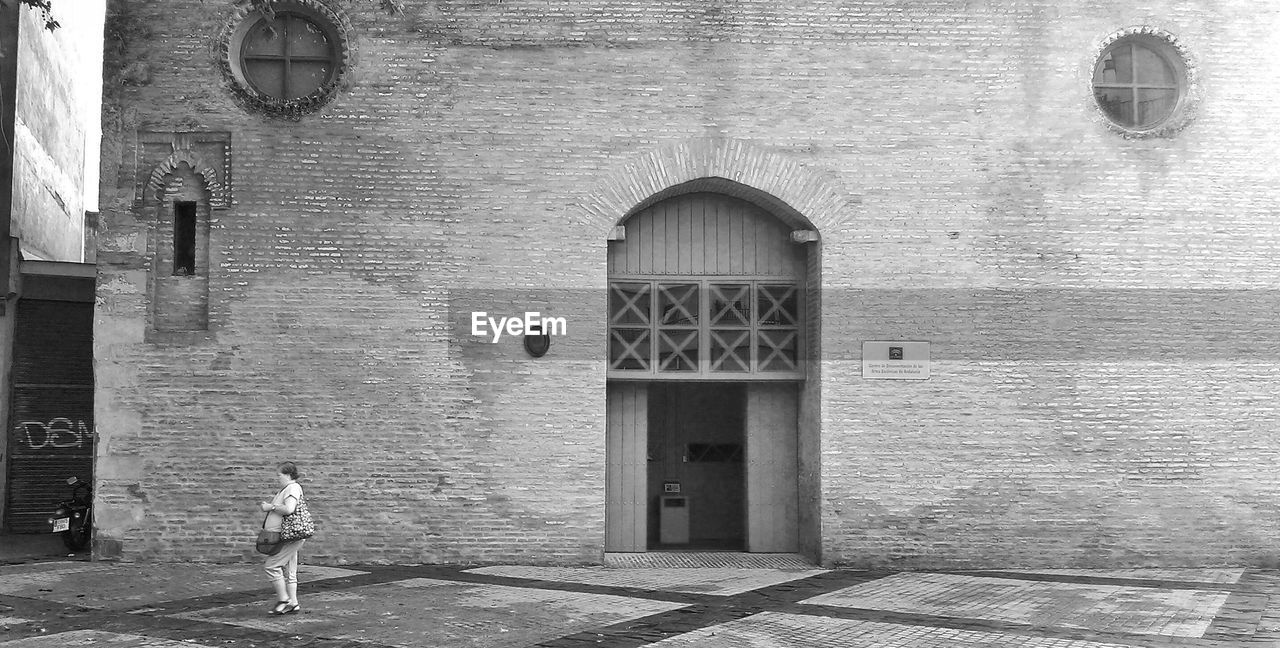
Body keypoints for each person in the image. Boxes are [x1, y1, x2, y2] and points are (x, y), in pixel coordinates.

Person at [259, 461, 306, 615]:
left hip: (289, 536)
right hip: (289, 535)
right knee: (290, 571)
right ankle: (293, 603)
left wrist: (270, 507)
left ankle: (283, 599)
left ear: (287, 474)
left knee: (272, 566)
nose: (277, 478)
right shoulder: (287, 489)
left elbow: (289, 509)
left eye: (279, 475)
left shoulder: (292, 488)